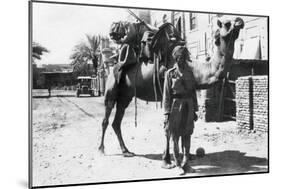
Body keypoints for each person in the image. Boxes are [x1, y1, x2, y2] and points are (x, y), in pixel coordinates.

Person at [162, 45, 198, 174]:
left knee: (187, 134)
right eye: (180, 57)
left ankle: (186, 163)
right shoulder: (170, 73)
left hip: (188, 106)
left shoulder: (190, 73)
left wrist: (195, 110)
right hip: (175, 107)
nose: (182, 59)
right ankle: (178, 164)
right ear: (176, 58)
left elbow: (193, 92)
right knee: (175, 136)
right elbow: (166, 95)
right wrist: (166, 113)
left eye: (184, 57)